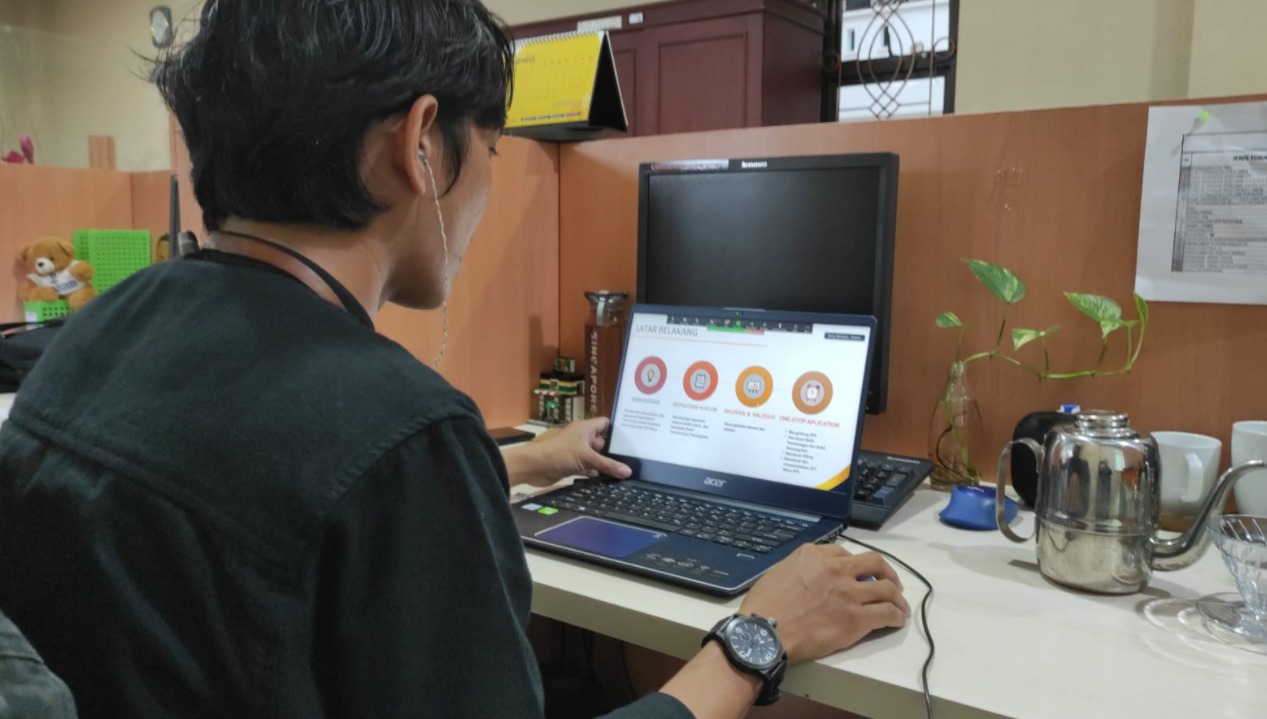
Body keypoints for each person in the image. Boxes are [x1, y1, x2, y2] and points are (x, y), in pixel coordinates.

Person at [0, 1, 910, 717]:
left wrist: (512, 461)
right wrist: (755, 637)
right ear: (421, 143)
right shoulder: (400, 429)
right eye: (495, 150)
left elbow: (263, 489)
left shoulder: (103, 326)